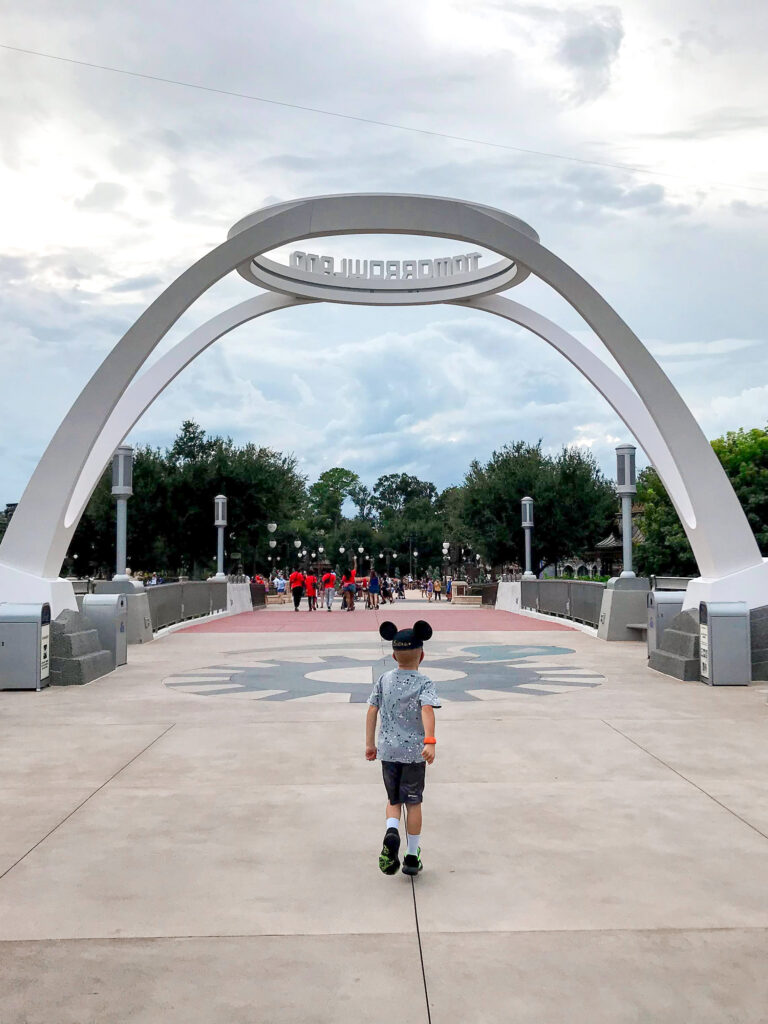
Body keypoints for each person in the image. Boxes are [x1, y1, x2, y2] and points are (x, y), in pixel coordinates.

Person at [365, 619, 439, 876]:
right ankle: (411, 855)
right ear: (423, 654)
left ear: (394, 655)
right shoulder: (424, 682)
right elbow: (427, 710)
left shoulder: (384, 680)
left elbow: (372, 710)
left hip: (387, 751)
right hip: (414, 753)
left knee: (393, 799)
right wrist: (429, 741)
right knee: (414, 802)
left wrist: (370, 744)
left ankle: (392, 829)